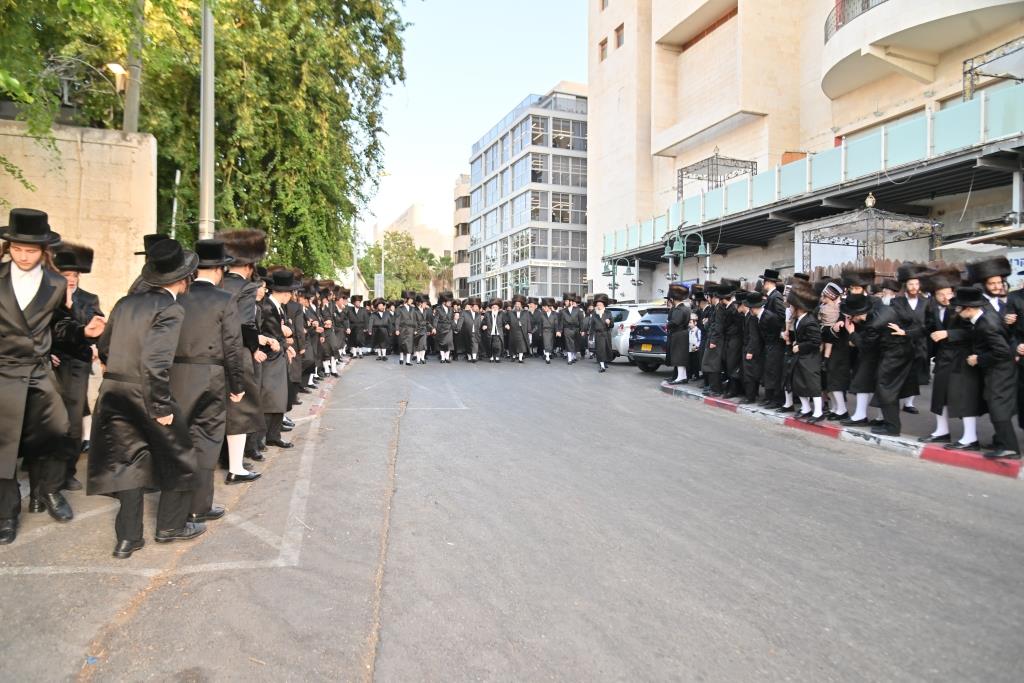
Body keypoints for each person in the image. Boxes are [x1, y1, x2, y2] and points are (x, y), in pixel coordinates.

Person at [89, 238, 202, 558]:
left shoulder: (126, 303)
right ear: (183, 279)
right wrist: (162, 406)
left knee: (127, 461)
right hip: (146, 392)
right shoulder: (171, 308)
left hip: (113, 392)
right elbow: (156, 362)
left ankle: (128, 538)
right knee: (181, 454)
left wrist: (116, 375)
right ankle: (171, 526)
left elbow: (104, 347)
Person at [0, 209, 104, 545]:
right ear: (8, 247)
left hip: (38, 370)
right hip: (3, 370)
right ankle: (7, 513)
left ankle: (50, 493)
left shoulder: (56, 283)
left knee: (57, 432)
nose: (24, 256)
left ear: (44, 251)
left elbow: (59, 325)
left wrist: (83, 332)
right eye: (17, 249)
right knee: (5, 446)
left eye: (31, 251)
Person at [169, 240, 250, 526]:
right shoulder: (224, 299)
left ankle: (175, 509)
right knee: (206, 441)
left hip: (176, 375)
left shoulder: (178, 295)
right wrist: (237, 385)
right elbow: (232, 345)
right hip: (211, 377)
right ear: (218, 270)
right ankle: (198, 506)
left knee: (179, 440)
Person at [52, 242, 103, 492]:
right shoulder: (48, 296)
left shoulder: (89, 299)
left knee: (73, 420)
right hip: (52, 363)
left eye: (74, 275)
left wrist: (73, 307)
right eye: (66, 275)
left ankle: (67, 471)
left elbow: (95, 331)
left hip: (77, 364)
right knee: (48, 420)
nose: (71, 279)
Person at [951, 286, 1020, 459]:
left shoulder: (987, 324)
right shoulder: (983, 320)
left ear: (969, 309)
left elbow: (1002, 351)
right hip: (997, 371)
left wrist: (979, 359)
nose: (957, 311)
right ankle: (1003, 444)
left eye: (959, 308)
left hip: (1001, 372)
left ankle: (1010, 448)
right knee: (996, 407)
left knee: (998, 409)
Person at [919, 267, 983, 450]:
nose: (945, 297)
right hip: (943, 358)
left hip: (962, 359)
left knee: (963, 398)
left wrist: (948, 333)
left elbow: (973, 331)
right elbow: (927, 329)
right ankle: (941, 431)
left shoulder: (962, 308)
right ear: (934, 295)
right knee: (940, 396)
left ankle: (970, 438)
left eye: (948, 293)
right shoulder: (932, 308)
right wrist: (905, 333)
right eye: (941, 294)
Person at [260, 269, 298, 450]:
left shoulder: (278, 307)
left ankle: (274, 435)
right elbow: (275, 333)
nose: (291, 296)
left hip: (278, 358)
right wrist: (286, 343)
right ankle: (264, 437)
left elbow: (286, 332)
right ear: (284, 293)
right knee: (270, 399)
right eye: (290, 292)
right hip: (269, 358)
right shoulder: (267, 307)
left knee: (279, 398)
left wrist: (287, 343)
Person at [891, 262, 930, 414]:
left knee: (915, 375)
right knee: (899, 373)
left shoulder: (926, 303)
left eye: (916, 284)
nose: (914, 287)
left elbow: (929, 323)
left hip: (920, 343)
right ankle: (894, 400)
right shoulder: (897, 301)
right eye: (911, 284)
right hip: (900, 342)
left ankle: (909, 403)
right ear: (905, 285)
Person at [788, 279, 824, 422]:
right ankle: (806, 409)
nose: (790, 308)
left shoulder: (810, 320)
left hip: (810, 358)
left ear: (799, 307)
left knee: (812, 385)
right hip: (801, 356)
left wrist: (800, 346)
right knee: (799, 383)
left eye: (792, 306)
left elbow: (816, 341)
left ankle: (818, 412)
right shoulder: (799, 319)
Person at [665, 283, 691, 385]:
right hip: (682, 334)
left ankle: (680, 377)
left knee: (678, 357)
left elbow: (675, 322)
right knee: (681, 357)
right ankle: (683, 376)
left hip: (678, 334)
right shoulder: (685, 308)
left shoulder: (679, 309)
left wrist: (667, 324)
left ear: (673, 298)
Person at [585, 293, 614, 372]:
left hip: (606, 334)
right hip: (598, 334)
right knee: (600, 350)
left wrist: (609, 323)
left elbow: (612, 325)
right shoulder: (595, 314)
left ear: (603, 305)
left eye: (600, 304)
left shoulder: (608, 313)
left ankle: (604, 362)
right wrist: (590, 336)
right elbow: (592, 326)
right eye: (597, 304)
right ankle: (602, 366)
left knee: (606, 350)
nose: (598, 306)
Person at [557, 293, 585, 364]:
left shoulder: (578, 310)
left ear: (571, 302)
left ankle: (573, 356)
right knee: (568, 344)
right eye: (565, 301)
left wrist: (582, 330)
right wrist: (559, 331)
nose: (565, 302)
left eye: (567, 301)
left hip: (576, 329)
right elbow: (560, 322)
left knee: (575, 344)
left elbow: (581, 321)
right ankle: (569, 359)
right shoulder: (562, 311)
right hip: (567, 329)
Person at [394, 291, 417, 366]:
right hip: (402, 329)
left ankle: (408, 361)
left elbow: (414, 319)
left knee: (409, 345)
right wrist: (397, 329)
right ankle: (401, 358)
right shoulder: (399, 308)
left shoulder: (413, 308)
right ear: (406, 300)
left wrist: (415, 329)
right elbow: (397, 320)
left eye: (412, 300)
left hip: (410, 329)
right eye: (410, 299)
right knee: (402, 344)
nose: (412, 301)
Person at [482, 298, 508, 363]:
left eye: (496, 307)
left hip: (498, 332)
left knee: (498, 346)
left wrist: (506, 325)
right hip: (490, 332)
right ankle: (491, 357)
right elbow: (484, 322)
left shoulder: (501, 314)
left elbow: (505, 321)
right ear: (491, 307)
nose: (495, 308)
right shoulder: (487, 314)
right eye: (493, 307)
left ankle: (497, 357)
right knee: (490, 346)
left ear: (499, 307)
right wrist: (483, 325)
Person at [507, 295, 532, 363]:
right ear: (514, 305)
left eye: (519, 304)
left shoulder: (525, 312)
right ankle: (514, 356)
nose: (517, 305)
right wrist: (507, 325)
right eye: (516, 304)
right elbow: (507, 321)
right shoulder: (510, 313)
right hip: (513, 331)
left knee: (521, 345)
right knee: (513, 344)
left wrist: (529, 331)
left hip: (522, 331)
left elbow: (528, 321)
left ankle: (520, 358)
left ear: (521, 305)